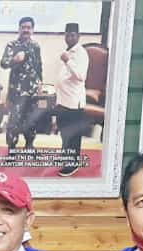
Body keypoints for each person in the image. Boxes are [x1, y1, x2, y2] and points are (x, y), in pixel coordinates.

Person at [0, 17, 43, 150]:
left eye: (28, 28)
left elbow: (39, 66)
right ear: (19, 29)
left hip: (32, 91)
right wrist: (15, 60)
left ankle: (29, 146)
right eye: (23, 27)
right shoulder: (12, 45)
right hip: (17, 91)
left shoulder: (36, 46)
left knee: (31, 120)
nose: (26, 30)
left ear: (32, 30)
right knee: (14, 121)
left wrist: (40, 83)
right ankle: (12, 149)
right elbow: (3, 63)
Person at [55, 23, 89, 177]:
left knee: (73, 136)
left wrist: (68, 61)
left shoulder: (81, 53)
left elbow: (81, 76)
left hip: (74, 103)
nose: (69, 37)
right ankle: (66, 157)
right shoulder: (67, 51)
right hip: (63, 101)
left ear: (78, 36)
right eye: (67, 35)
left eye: (73, 35)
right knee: (64, 133)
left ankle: (72, 165)